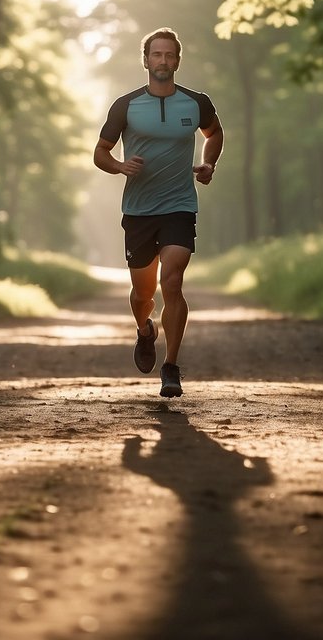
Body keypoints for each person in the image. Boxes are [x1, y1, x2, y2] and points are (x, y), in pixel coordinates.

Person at [93, 27, 224, 398]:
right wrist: (119, 166)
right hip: (138, 210)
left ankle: (171, 367)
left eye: (169, 55)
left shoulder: (196, 102)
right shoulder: (127, 105)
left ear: (178, 60)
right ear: (146, 60)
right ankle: (145, 330)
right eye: (156, 55)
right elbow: (100, 151)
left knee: (173, 282)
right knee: (142, 293)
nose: (163, 61)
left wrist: (208, 164)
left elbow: (214, 134)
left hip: (179, 206)